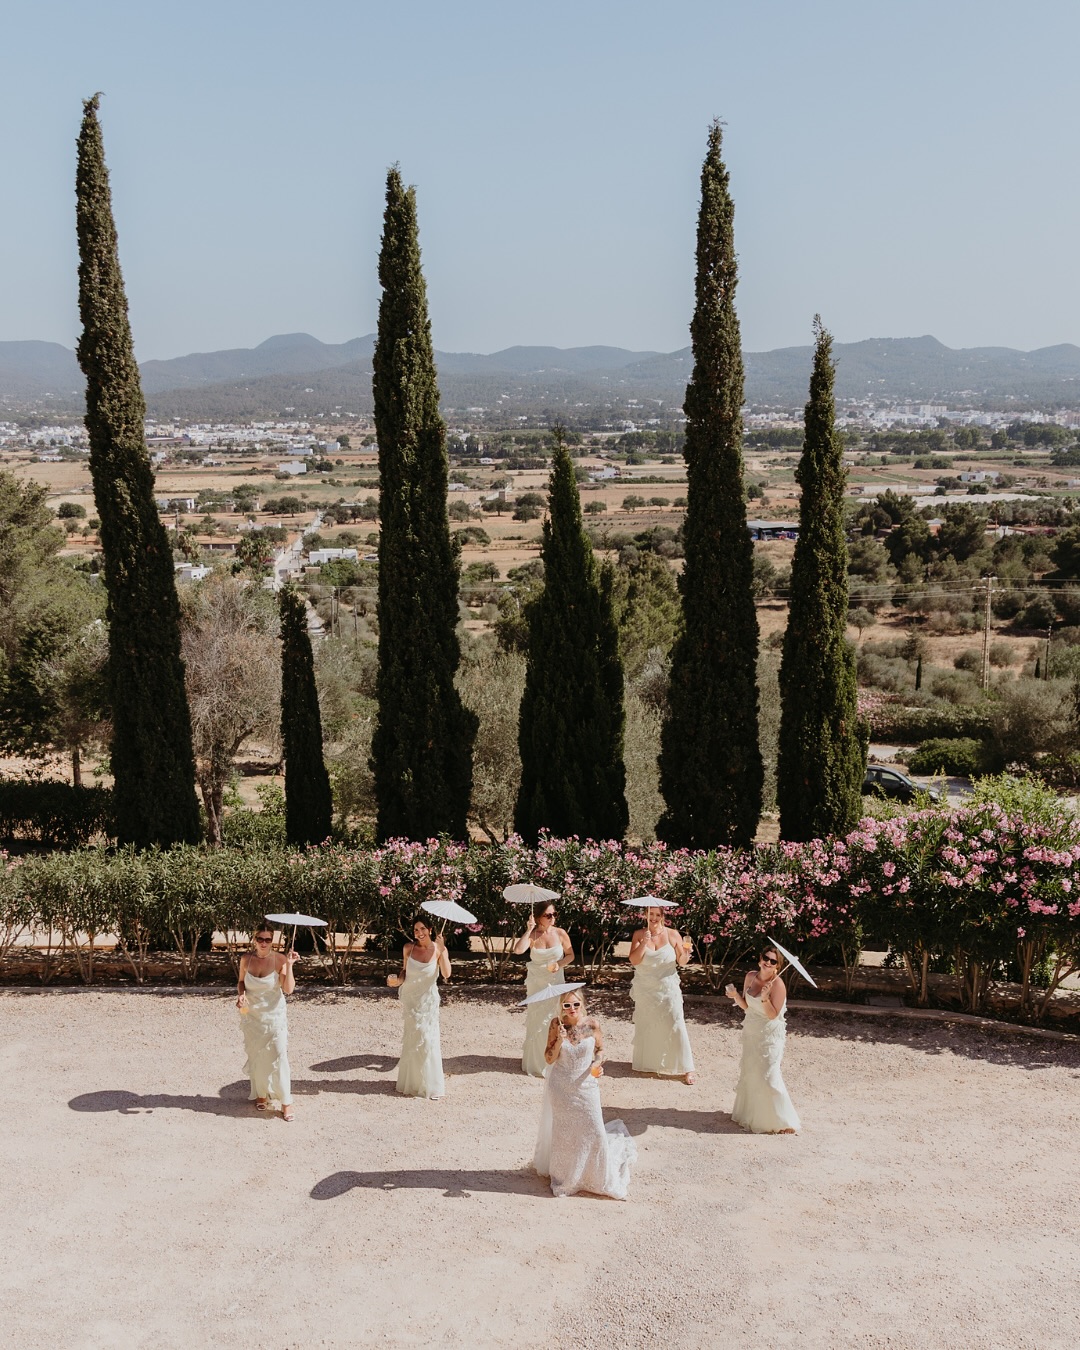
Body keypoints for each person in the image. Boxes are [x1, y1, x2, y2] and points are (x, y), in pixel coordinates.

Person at [533, 988, 637, 1199]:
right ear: (561, 1007)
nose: (571, 1009)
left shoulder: (592, 1024)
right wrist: (560, 1041)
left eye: (576, 1004)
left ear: (582, 1003)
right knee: (566, 1134)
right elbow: (548, 1058)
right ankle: (567, 1179)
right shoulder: (557, 1025)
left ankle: (597, 1178)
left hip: (586, 1086)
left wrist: (597, 1064)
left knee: (595, 1130)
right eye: (567, 1005)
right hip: (561, 1088)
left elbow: (599, 1049)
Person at [726, 946, 800, 1134]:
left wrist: (766, 998)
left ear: (778, 966)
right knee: (752, 1072)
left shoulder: (778, 985)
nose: (768, 962)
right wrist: (735, 996)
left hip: (770, 1035)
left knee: (769, 1075)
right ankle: (751, 1115)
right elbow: (746, 1006)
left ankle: (782, 1121)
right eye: (766, 958)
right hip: (752, 1032)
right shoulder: (750, 976)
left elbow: (773, 1015)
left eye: (773, 961)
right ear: (760, 959)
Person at [628, 905, 696, 1085]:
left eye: (658, 915)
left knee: (676, 1023)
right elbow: (634, 960)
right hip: (646, 989)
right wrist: (644, 942)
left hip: (668, 988)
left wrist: (686, 954)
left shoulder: (673, 934)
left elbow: (681, 962)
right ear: (645, 915)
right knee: (648, 1024)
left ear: (663, 916)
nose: (654, 918)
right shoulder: (638, 934)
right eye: (651, 914)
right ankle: (650, 1062)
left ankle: (687, 1068)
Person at [236, 920, 297, 1121]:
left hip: (275, 1016)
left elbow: (288, 989)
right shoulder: (246, 959)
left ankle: (286, 1102)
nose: (263, 942)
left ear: (273, 941)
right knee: (257, 1056)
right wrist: (241, 995)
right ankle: (261, 1094)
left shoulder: (279, 960)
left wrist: (289, 965)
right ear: (254, 939)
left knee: (279, 1054)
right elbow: (241, 982)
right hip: (252, 1017)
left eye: (267, 939)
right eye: (259, 939)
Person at [388, 917, 451, 1099]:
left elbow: (446, 974)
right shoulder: (409, 948)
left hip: (428, 1002)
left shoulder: (439, 950)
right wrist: (396, 981)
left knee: (427, 1039)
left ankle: (431, 1085)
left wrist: (444, 950)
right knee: (413, 1039)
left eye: (423, 929)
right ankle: (413, 1083)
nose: (419, 933)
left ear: (430, 929)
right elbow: (405, 972)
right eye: (416, 930)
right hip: (411, 1001)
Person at [513, 900, 574, 1077]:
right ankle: (536, 1061)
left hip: (555, 982)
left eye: (554, 914)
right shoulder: (533, 935)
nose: (552, 918)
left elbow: (570, 955)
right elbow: (518, 950)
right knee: (537, 1020)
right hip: (537, 984)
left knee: (555, 1019)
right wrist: (528, 929)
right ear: (538, 917)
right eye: (548, 915)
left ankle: (555, 1059)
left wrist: (559, 963)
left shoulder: (560, 933)